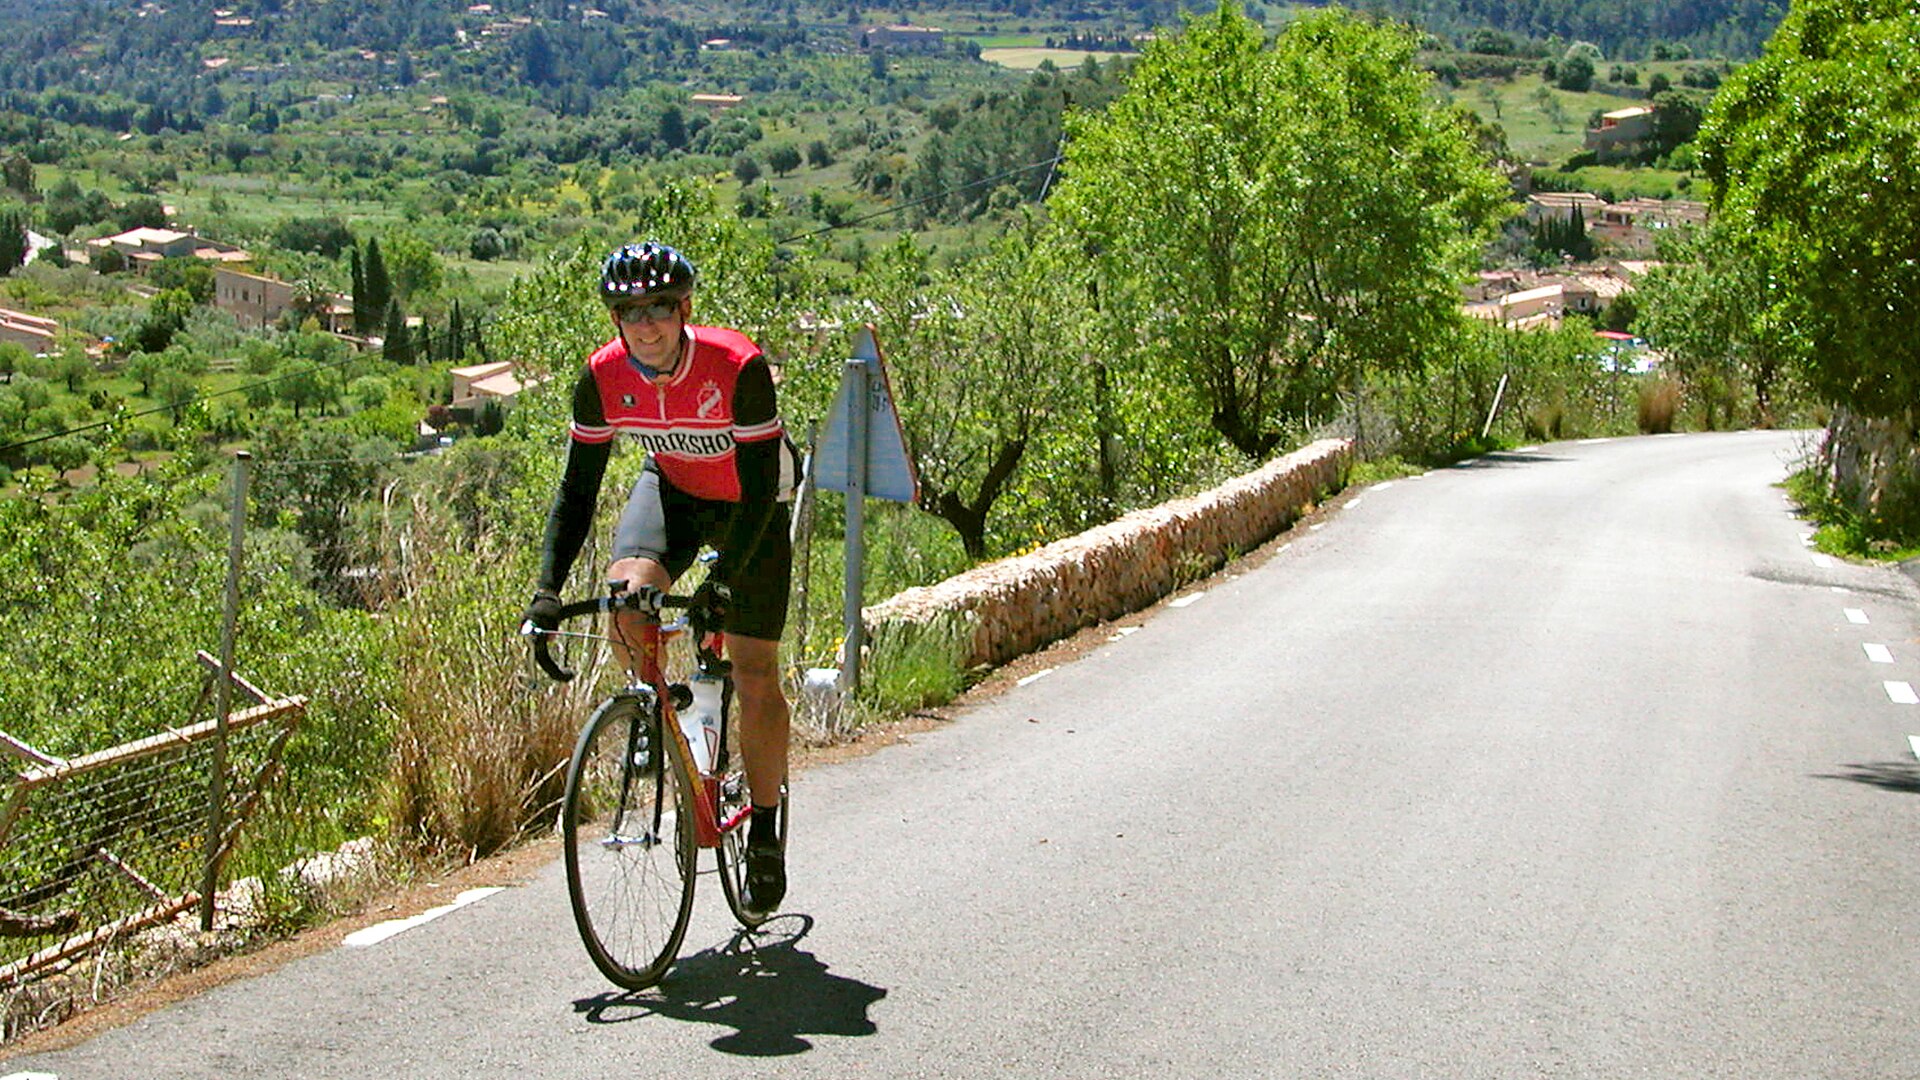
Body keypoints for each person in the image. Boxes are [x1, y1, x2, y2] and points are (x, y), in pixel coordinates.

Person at [524, 241, 799, 917]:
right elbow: (578, 491)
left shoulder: (736, 364)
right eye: (628, 311)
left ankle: (763, 829)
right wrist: (548, 590)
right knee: (625, 593)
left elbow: (762, 485)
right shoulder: (601, 375)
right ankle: (652, 705)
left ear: (685, 310)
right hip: (673, 487)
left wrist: (726, 578)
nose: (644, 324)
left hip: (754, 504)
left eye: (659, 308)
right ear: (615, 318)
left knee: (756, 670)